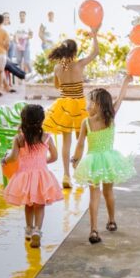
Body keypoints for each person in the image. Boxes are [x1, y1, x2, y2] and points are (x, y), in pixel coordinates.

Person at [72, 76, 136, 244]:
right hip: (109, 161)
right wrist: (125, 82)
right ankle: (112, 221)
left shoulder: (86, 123)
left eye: (89, 102)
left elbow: (79, 145)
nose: (86, 106)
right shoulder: (111, 118)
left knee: (94, 196)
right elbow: (120, 99)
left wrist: (75, 160)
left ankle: (93, 230)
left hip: (93, 162)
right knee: (108, 192)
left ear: (97, 105)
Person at [43, 27, 100, 188]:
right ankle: (82, 171)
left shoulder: (57, 68)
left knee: (66, 143)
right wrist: (94, 36)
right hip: (79, 105)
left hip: (64, 106)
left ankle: (66, 176)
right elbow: (95, 52)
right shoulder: (79, 64)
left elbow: (57, 86)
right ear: (74, 52)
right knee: (83, 140)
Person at [2, 104, 63, 249]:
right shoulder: (46, 137)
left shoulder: (19, 138)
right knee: (40, 205)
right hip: (41, 175)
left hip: (24, 176)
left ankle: (28, 230)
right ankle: (37, 230)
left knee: (28, 204)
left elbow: (13, 157)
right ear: (41, 120)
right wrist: (42, 161)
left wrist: (4, 160)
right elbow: (54, 157)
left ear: (23, 119)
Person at [14, 11, 33, 75]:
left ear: (25, 16)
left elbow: (31, 35)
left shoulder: (28, 25)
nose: (22, 17)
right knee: (18, 60)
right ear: (19, 16)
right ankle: (20, 75)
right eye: (21, 15)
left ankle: (31, 73)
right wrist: (17, 43)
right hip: (18, 44)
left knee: (27, 61)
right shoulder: (16, 25)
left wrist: (25, 37)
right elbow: (15, 35)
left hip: (26, 44)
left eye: (23, 15)